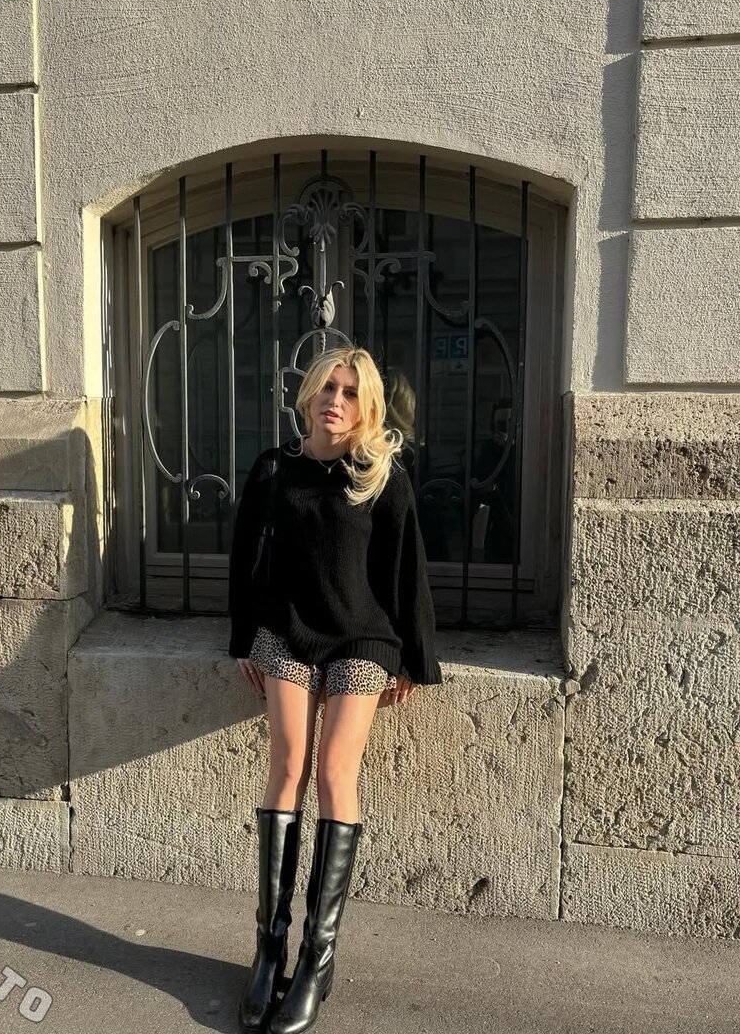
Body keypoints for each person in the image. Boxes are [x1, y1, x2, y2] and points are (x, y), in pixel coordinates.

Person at [228, 345, 443, 1034]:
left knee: (332, 772)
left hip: (362, 639)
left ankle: (316, 959)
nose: (336, 400)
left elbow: (405, 570)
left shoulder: (381, 476)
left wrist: (414, 659)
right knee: (287, 765)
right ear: (308, 395)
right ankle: (269, 949)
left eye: (350, 392)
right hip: (286, 631)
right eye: (327, 387)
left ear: (367, 406)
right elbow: (246, 557)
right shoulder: (274, 469)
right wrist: (244, 639)